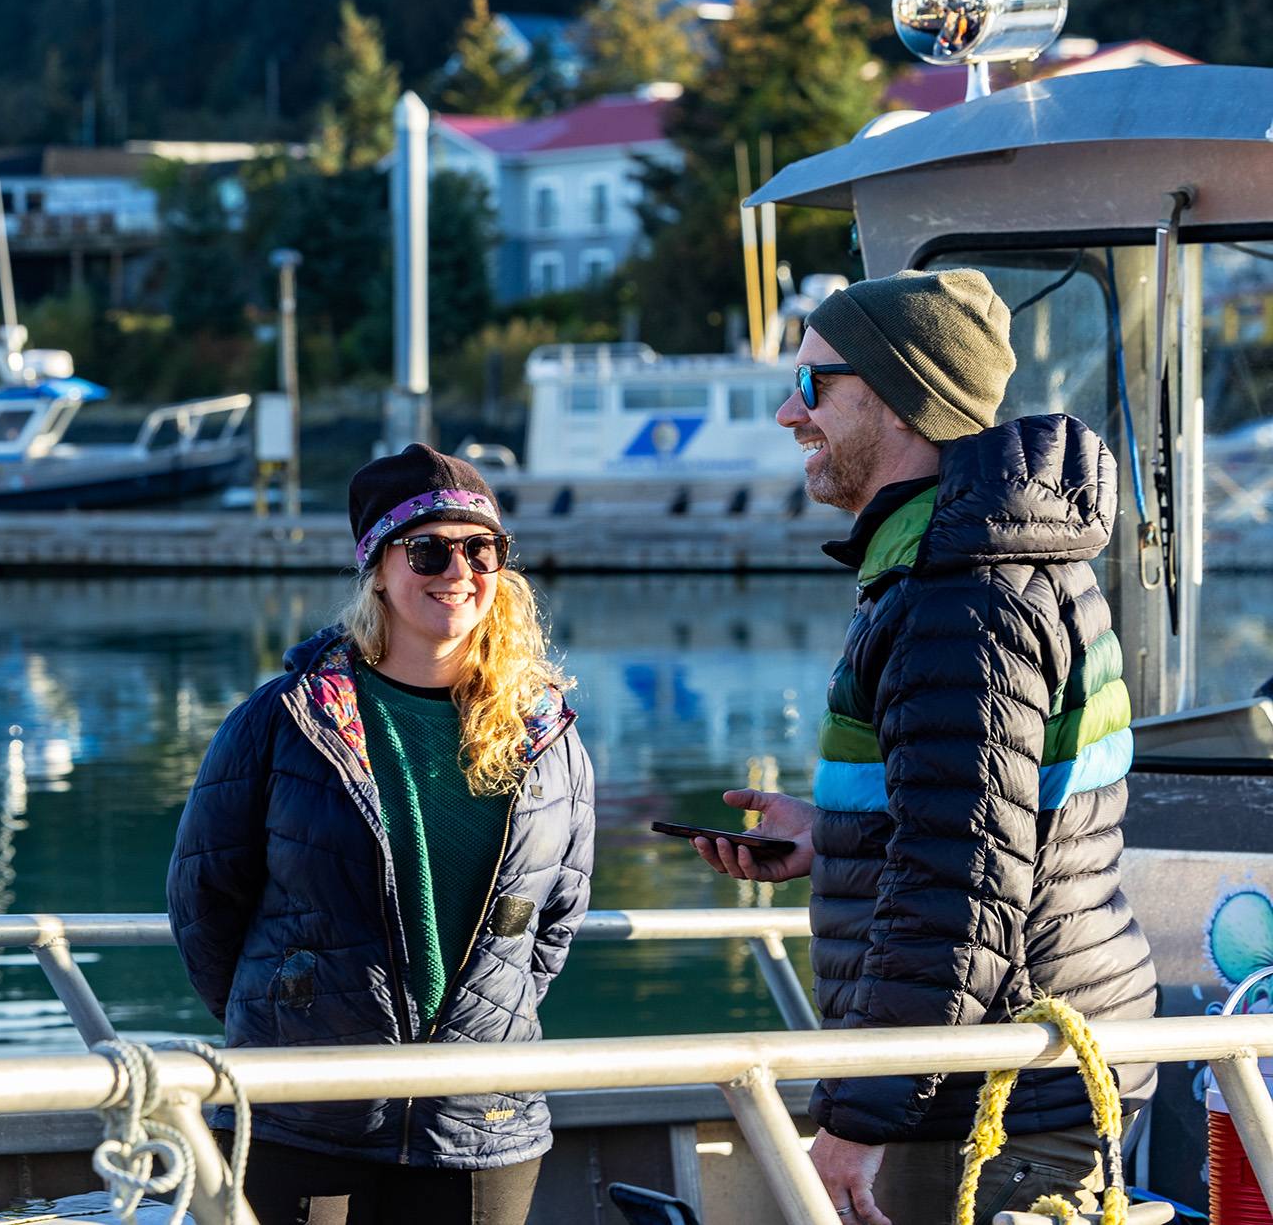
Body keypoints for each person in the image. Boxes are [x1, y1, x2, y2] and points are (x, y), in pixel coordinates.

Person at [692, 269, 1155, 1225]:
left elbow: (964, 880)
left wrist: (860, 1114)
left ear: (901, 400)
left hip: (997, 1097)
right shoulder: (963, 566)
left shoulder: (965, 595)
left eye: (815, 384)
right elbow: (981, 821)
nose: (790, 412)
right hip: (981, 1072)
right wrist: (838, 832)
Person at [167, 444, 594, 1225]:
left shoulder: (548, 735)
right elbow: (204, 901)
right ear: (378, 569)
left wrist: (486, 1021)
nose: (457, 570)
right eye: (428, 549)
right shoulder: (286, 719)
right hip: (303, 1109)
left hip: (479, 1119)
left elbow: (557, 914)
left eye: (481, 549)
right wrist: (295, 1012)